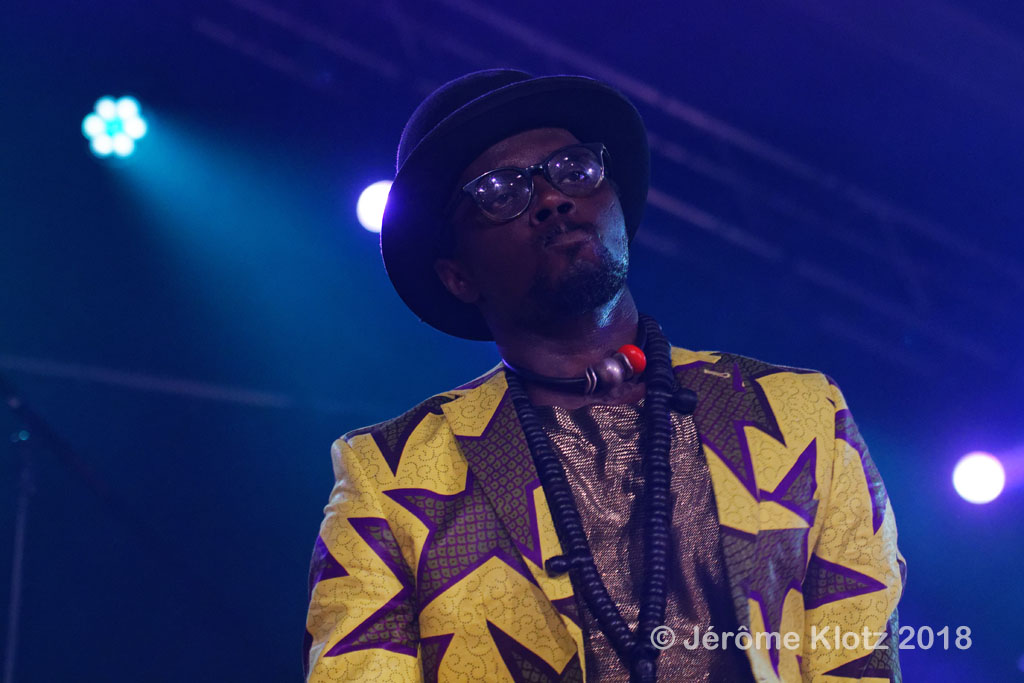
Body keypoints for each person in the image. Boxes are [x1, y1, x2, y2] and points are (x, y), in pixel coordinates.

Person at [304, 70, 906, 683]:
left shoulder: (803, 414)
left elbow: (859, 658)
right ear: (458, 276)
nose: (552, 199)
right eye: (501, 192)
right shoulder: (392, 474)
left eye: (574, 170)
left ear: (616, 201)